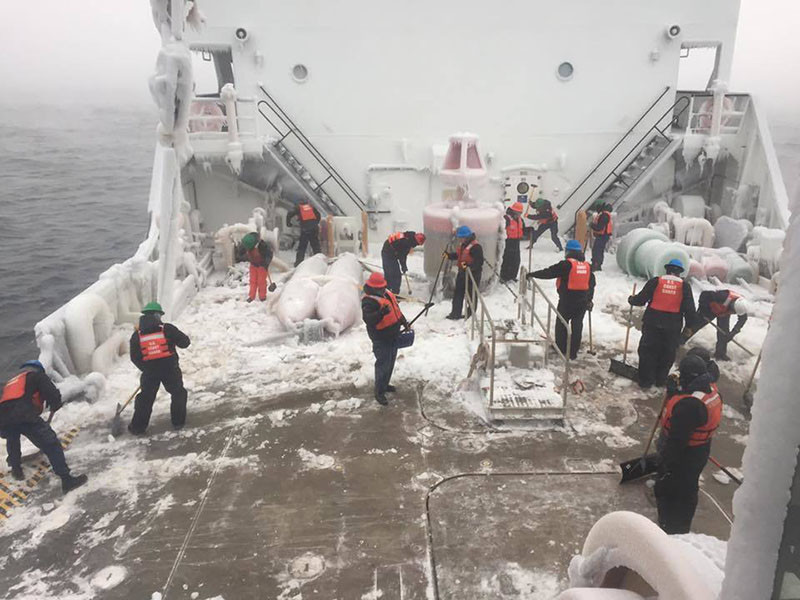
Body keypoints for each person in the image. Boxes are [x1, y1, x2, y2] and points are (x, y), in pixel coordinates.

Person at [655, 354, 722, 534]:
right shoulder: (708, 387)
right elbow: (690, 394)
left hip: (685, 454)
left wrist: (665, 464)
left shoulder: (689, 406)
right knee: (688, 487)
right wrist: (674, 392)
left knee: (673, 491)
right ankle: (679, 524)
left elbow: (677, 441)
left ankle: (672, 528)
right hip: (700, 450)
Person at [0, 361, 88, 494]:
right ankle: (67, 479)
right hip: (23, 413)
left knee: (13, 436)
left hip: (3, 416)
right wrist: (55, 403)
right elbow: (51, 392)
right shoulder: (36, 374)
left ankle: (16, 468)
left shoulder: (12, 381)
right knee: (51, 443)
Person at [628, 259, 696, 389]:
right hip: (673, 326)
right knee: (667, 352)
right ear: (679, 272)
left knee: (648, 351)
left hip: (652, 323)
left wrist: (632, 300)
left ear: (667, 269)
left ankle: (645, 381)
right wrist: (689, 326)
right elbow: (689, 308)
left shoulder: (656, 281)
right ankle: (660, 380)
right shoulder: (684, 286)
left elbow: (641, 299)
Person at [128, 302, 191, 434]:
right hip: (170, 369)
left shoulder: (137, 335)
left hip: (150, 373)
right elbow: (185, 342)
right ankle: (178, 422)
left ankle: (137, 427)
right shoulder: (167, 329)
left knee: (145, 398)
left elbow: (134, 357)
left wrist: (146, 369)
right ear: (157, 315)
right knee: (178, 393)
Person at [526, 239, 595, 359]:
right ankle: (573, 352)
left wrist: (532, 274)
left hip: (567, 301)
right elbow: (591, 284)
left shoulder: (566, 265)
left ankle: (561, 347)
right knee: (577, 325)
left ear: (568, 252)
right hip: (582, 302)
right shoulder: (587, 267)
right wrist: (589, 300)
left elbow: (549, 272)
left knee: (562, 324)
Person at [361, 272, 409, 406]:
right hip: (381, 338)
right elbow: (369, 319)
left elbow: (396, 310)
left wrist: (404, 322)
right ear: (373, 287)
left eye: (384, 287)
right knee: (383, 363)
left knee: (390, 361)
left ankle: (385, 384)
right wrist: (381, 313)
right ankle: (379, 391)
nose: (383, 289)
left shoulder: (387, 294)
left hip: (393, 334)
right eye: (380, 288)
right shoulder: (368, 301)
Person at [683, 289, 749, 360]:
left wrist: (734, 332)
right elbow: (704, 294)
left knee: (724, 334)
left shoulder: (742, 306)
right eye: (733, 311)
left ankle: (720, 354)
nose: (733, 312)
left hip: (723, 313)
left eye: (734, 312)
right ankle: (680, 340)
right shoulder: (722, 296)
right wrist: (703, 308)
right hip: (710, 310)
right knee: (694, 326)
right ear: (732, 305)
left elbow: (742, 319)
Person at [446, 226, 484, 320]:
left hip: (473, 275)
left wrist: (469, 267)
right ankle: (455, 313)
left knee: (471, 295)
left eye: (462, 238)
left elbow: (479, 262)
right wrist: (449, 256)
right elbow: (459, 256)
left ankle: (470, 314)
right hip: (462, 273)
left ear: (467, 237)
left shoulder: (476, 247)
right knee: (458, 293)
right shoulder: (464, 245)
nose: (461, 239)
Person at [241, 232, 274, 302]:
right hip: (253, 264)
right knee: (252, 281)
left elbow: (269, 255)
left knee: (261, 282)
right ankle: (251, 296)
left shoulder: (263, 246)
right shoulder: (247, 242)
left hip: (262, 266)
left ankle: (262, 296)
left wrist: (266, 263)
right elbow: (244, 253)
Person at [287, 200, 322, 266]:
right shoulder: (311, 207)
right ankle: (320, 261)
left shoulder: (298, 207)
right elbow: (318, 215)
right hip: (314, 228)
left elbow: (289, 213)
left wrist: (288, 223)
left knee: (302, 247)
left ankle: (298, 263)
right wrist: (314, 224)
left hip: (306, 229)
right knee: (315, 246)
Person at [500, 202, 524, 283]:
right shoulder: (506, 219)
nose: (520, 214)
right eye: (519, 212)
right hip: (508, 241)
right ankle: (504, 276)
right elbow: (501, 230)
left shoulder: (520, 219)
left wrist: (529, 230)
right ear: (514, 211)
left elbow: (522, 229)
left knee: (516, 260)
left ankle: (512, 276)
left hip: (516, 241)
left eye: (521, 212)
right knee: (507, 259)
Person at [589, 202, 613, 271]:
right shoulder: (605, 214)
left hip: (602, 236)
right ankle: (597, 264)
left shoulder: (604, 215)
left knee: (597, 250)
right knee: (598, 250)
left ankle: (596, 265)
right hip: (603, 236)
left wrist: (592, 225)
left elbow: (600, 227)